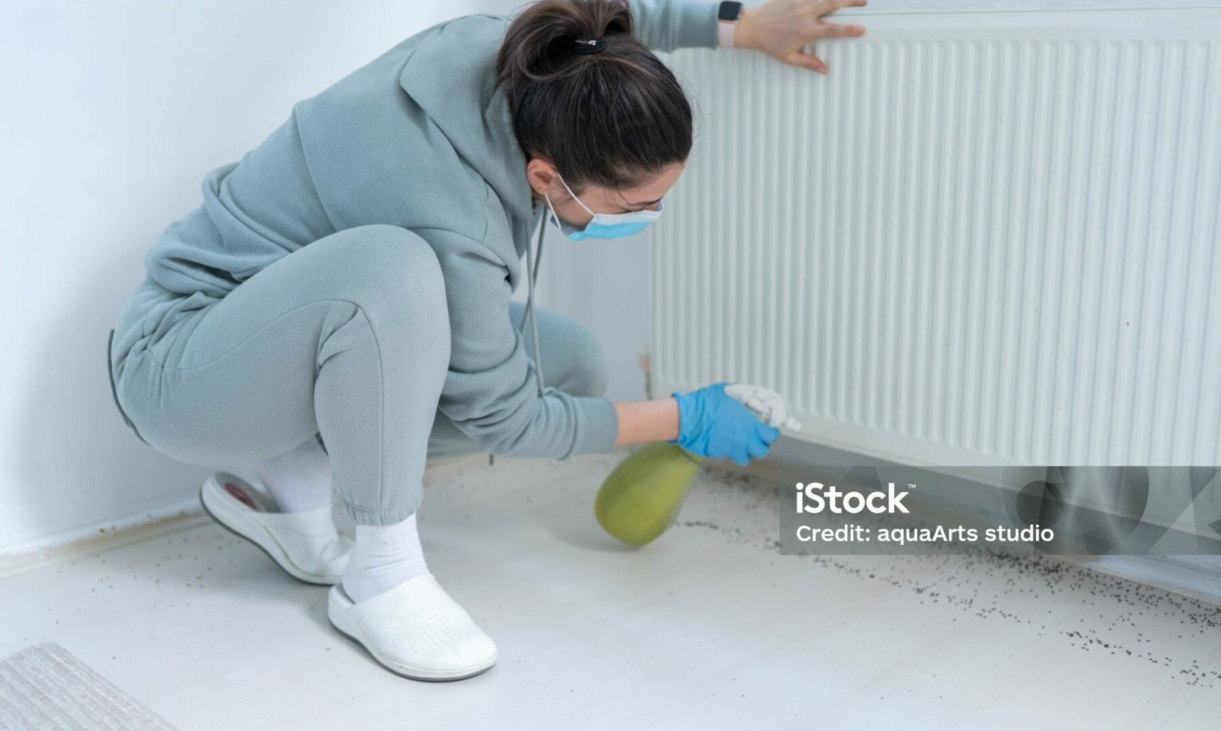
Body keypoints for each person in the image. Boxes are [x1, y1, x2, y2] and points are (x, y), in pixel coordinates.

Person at [105, 0, 868, 682]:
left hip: (289, 334)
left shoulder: (525, 59)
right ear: (545, 177)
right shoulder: (450, 213)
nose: (647, 217)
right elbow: (507, 418)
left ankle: (287, 474)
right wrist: (682, 415)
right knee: (393, 268)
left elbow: (609, 20)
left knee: (568, 361)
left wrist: (736, 24)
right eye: (633, 204)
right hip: (183, 367)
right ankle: (381, 573)